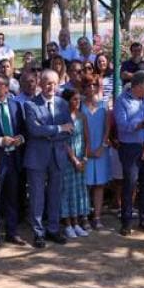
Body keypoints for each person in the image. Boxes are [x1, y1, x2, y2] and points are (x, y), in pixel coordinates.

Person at [23, 69, 73, 247]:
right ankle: (38, 233)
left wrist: (49, 132)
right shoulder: (30, 105)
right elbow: (34, 130)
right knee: (37, 196)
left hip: (58, 156)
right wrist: (58, 129)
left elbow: (70, 129)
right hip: (37, 157)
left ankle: (53, 229)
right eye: (47, 83)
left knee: (55, 195)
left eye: (54, 83)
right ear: (40, 84)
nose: (51, 86)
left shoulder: (63, 104)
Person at [113, 71, 144, 236]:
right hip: (130, 148)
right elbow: (122, 125)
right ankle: (126, 222)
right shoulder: (121, 101)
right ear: (138, 86)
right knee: (130, 184)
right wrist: (142, 124)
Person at [0, 74, 27, 245]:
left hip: (14, 158)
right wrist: (0, 141)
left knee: (12, 197)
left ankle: (12, 231)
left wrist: (21, 138)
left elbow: (24, 129)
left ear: (6, 87)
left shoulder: (16, 105)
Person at [59, 89, 91, 238]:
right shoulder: (62, 117)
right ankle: (68, 224)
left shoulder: (82, 116)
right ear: (67, 101)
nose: (77, 102)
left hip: (80, 159)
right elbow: (64, 142)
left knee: (79, 191)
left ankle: (77, 223)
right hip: (67, 159)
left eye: (79, 99)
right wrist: (74, 160)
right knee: (67, 191)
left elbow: (87, 138)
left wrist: (84, 158)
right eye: (74, 99)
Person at [81, 74, 110, 230]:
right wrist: (86, 151)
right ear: (83, 88)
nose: (91, 88)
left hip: (101, 151)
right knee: (84, 185)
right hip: (84, 151)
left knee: (99, 185)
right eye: (87, 85)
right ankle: (85, 217)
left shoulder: (104, 106)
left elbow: (107, 129)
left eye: (93, 85)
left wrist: (101, 147)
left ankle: (97, 218)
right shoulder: (79, 106)